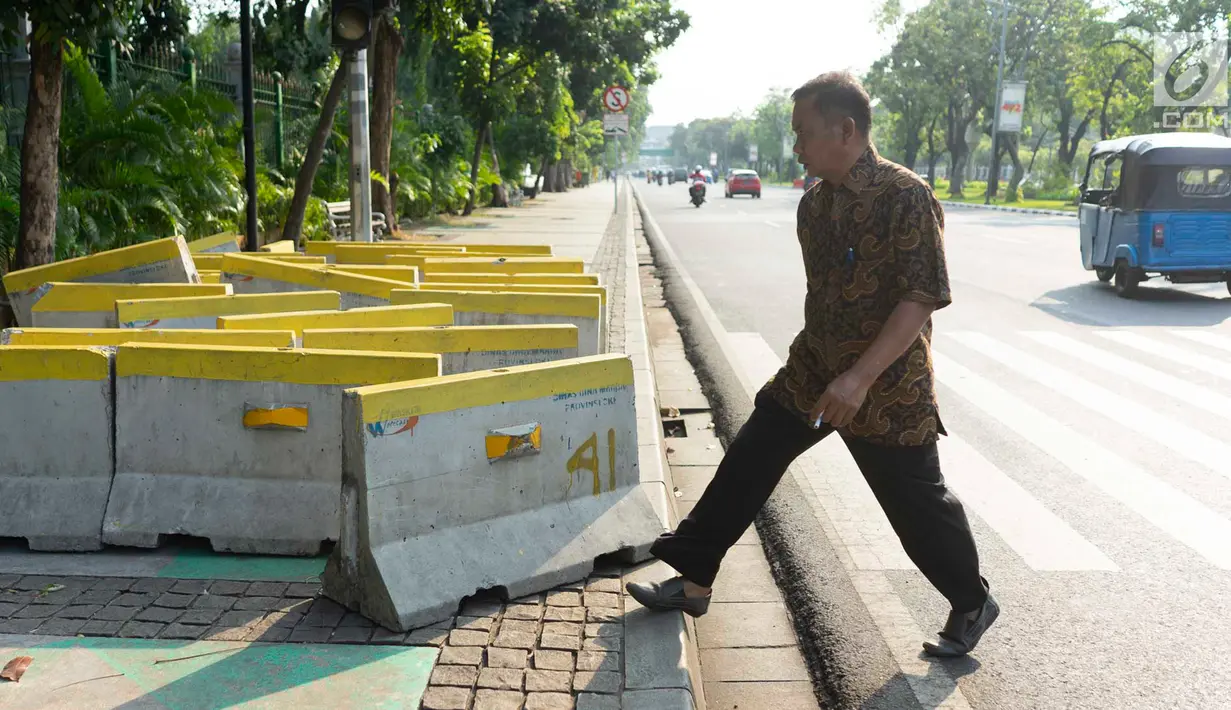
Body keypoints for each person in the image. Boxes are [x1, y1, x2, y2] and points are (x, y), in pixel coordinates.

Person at [626, 70, 998, 658]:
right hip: (813, 369)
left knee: (915, 504)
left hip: (887, 384)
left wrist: (859, 378)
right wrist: (828, 369)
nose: (795, 145)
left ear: (845, 130)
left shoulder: (904, 195)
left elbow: (920, 298)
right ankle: (694, 576)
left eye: (803, 133)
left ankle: (971, 601)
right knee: (753, 453)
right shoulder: (814, 204)